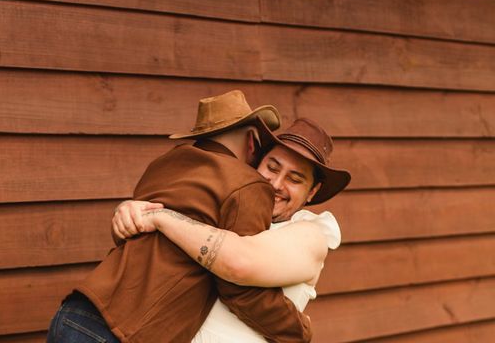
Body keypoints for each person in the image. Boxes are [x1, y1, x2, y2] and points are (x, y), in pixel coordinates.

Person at [46, 90, 312, 342]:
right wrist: (298, 330)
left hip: (76, 310)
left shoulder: (164, 165)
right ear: (253, 140)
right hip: (122, 331)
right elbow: (240, 287)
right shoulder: (247, 184)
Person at [113, 118, 351, 342]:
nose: (277, 184)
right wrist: (130, 213)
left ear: (312, 192)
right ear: (256, 163)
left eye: (295, 179)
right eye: (272, 167)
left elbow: (239, 265)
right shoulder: (230, 213)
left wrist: (160, 217)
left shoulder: (311, 234)